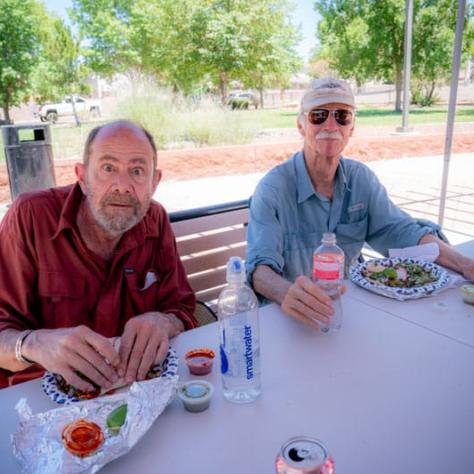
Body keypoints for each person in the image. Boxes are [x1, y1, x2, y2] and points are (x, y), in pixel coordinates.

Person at [246, 78, 474, 330]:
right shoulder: (272, 189)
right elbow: (259, 268)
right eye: (318, 115)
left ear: (352, 127)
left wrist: (466, 265)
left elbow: (401, 232)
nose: (331, 125)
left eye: (342, 116)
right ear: (301, 125)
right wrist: (286, 293)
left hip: (349, 312)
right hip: (289, 320)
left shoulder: (361, 179)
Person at [0, 120, 197, 390]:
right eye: (108, 168)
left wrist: (163, 321)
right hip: (40, 399)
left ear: (154, 181)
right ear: (82, 177)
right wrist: (32, 344)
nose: (122, 186)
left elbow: (181, 307)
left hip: (135, 392)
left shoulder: (156, 219)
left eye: (137, 171)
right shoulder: (31, 216)